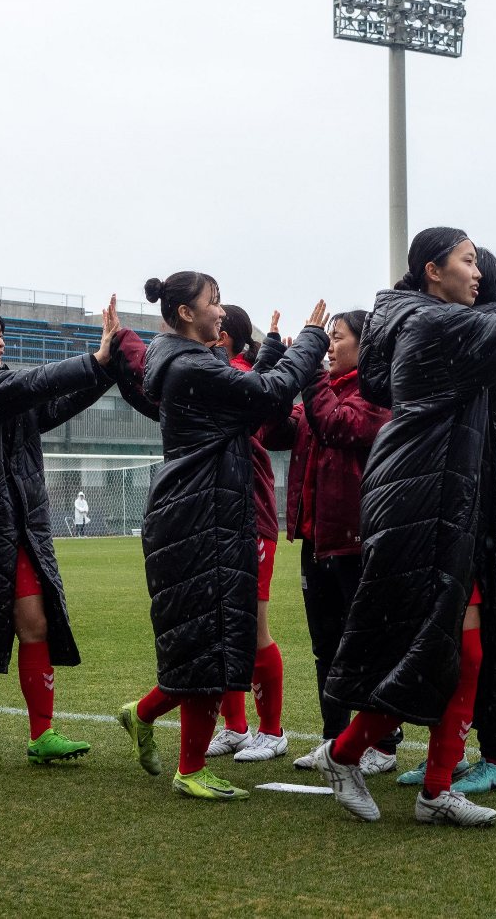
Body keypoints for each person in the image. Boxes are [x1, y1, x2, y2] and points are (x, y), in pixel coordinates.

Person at [316, 219, 496, 826]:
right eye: (466, 261)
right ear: (432, 273)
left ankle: (435, 788)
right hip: (420, 506)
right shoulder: (434, 324)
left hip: (444, 505)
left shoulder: (432, 326)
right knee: (421, 654)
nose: (477, 271)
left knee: (462, 656)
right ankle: (347, 754)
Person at [116, 273, 328, 801]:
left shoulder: (188, 363)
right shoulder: (189, 365)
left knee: (208, 644)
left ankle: (155, 728)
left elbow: (254, 398)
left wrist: (276, 348)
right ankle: (188, 767)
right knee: (207, 643)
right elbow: (272, 392)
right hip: (198, 517)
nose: (221, 311)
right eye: (213, 302)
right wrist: (311, 339)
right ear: (186, 313)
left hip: (208, 513)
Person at [0, 297, 122, 765]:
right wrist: (93, 360)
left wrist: (106, 370)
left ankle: (42, 734)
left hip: (16, 525)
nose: (1, 340)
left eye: (1, 331)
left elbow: (54, 402)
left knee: (36, 622)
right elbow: (33, 383)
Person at [256, 310, 398, 776]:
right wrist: (281, 362)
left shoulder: (374, 396)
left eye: (336, 339)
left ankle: (380, 744)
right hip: (318, 542)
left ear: (366, 346)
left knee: (365, 647)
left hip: (359, 544)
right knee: (327, 647)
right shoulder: (320, 395)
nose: (329, 347)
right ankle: (334, 739)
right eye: (327, 340)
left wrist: (309, 369)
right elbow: (273, 430)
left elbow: (336, 424)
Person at [203, 304, 291, 763]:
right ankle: (236, 728)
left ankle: (271, 731)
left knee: (253, 626)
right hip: (222, 518)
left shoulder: (236, 377)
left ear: (225, 339)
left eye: (217, 324)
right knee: (223, 625)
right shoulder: (222, 373)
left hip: (251, 517)